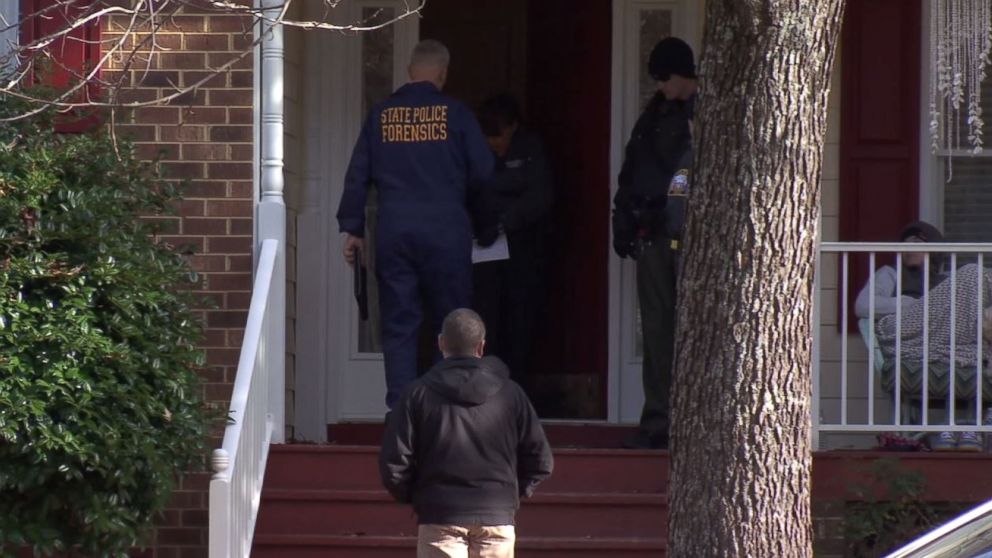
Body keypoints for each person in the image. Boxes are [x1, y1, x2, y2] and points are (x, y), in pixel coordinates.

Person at [337, 40, 496, 409]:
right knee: (454, 320)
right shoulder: (455, 115)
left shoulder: (381, 115)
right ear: (443, 73)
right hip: (446, 230)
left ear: (409, 71)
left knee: (399, 322)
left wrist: (354, 228)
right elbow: (485, 173)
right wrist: (486, 224)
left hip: (395, 231)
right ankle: (454, 408)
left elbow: (357, 175)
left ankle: (402, 413)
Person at [379, 308, 554, 558]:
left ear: (441, 343)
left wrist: (420, 497)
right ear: (481, 347)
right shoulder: (511, 394)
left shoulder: (416, 394)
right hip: (496, 512)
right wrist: (512, 493)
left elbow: (394, 462)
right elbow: (541, 460)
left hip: (440, 513)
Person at [612, 37, 697, 449]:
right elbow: (632, 170)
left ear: (684, 74)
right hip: (651, 235)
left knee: (691, 332)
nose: (661, 86)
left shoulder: (703, 115)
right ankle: (658, 420)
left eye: (665, 77)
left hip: (688, 239)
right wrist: (622, 218)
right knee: (657, 330)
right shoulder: (653, 116)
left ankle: (690, 419)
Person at [472, 93, 554, 385]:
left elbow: (540, 195)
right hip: (483, 250)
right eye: (488, 137)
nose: (495, 143)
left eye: (499, 135)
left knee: (520, 319)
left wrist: (505, 221)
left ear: (513, 126)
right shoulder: (475, 151)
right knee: (485, 317)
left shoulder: (530, 149)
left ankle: (515, 387)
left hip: (522, 249)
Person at [854, 220, 945, 319]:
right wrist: (910, 304)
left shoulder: (946, 280)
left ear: (934, 251)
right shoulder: (890, 273)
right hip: (900, 330)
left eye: (917, 244)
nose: (910, 249)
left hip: (936, 331)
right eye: (905, 245)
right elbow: (863, 305)